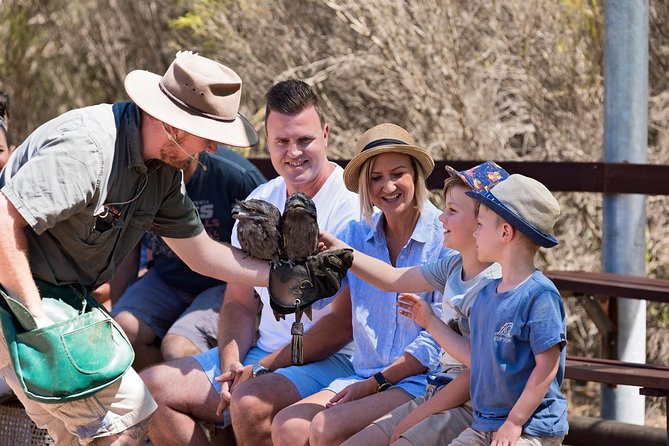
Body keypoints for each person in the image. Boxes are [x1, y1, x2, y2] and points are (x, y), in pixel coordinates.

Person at [0, 53, 275, 445]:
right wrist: (40, 319)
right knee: (128, 416)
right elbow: (3, 224)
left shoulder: (162, 173)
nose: (213, 149)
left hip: (57, 299)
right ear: (174, 126)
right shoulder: (89, 148)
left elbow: (201, 254)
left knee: (80, 433)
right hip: (16, 295)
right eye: (209, 135)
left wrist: (279, 276)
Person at [140, 79, 360, 446]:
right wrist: (231, 360)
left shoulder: (352, 206)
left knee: (249, 401)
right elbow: (239, 302)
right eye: (281, 142)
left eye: (304, 140)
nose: (294, 152)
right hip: (263, 356)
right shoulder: (260, 199)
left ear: (325, 134)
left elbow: (343, 323)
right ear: (268, 142)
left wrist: (263, 367)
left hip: (335, 360)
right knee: (148, 390)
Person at [270, 123, 449, 445]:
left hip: (421, 379)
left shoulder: (444, 237)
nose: (388, 186)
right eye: (376, 178)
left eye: (397, 174)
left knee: (328, 426)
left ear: (416, 176)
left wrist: (379, 382)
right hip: (364, 374)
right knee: (287, 425)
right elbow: (315, 301)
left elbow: (441, 338)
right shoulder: (355, 235)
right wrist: (301, 258)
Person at [332, 161, 508, 446]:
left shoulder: (494, 286)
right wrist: (341, 251)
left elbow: (477, 371)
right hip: (439, 391)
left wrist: (430, 323)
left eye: (451, 211)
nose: (441, 219)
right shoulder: (453, 265)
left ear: (482, 223)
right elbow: (392, 278)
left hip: (472, 403)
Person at [401, 174, 569, 446]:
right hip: (486, 423)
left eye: (480, 225)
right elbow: (476, 358)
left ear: (505, 232)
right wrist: (430, 321)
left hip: (531, 427)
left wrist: (514, 422)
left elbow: (547, 367)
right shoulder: (486, 295)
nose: (475, 232)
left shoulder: (541, 295)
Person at [112, 145, 266, 370]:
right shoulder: (139, 174)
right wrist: (118, 306)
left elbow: (269, 239)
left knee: (177, 348)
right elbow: (127, 248)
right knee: (121, 333)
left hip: (223, 283)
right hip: (167, 277)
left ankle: (203, 396)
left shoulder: (236, 177)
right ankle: (159, 396)